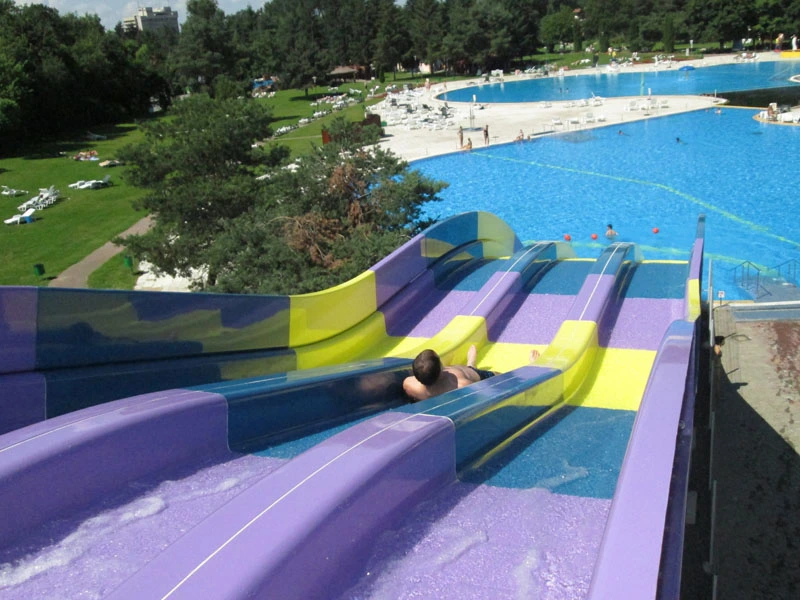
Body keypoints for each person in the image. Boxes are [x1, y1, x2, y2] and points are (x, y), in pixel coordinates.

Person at [403, 345, 540, 402]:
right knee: (505, 377)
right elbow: (490, 392)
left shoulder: (409, 384)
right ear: (441, 370)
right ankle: (532, 368)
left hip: (463, 372)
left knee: (464, 370)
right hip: (480, 377)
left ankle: (471, 363)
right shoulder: (461, 385)